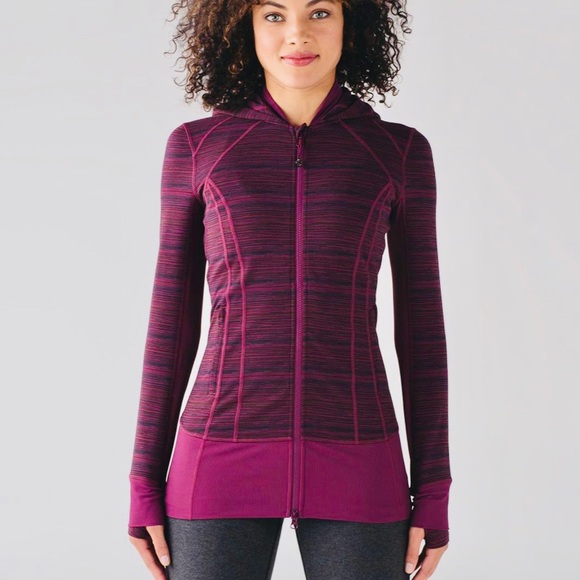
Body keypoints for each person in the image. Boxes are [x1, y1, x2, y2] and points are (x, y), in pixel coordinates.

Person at [128, 0, 452, 578]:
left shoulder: (397, 152)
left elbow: (421, 333)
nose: (297, 34)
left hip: (360, 455)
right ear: (244, 27)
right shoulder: (199, 147)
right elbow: (171, 325)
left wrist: (433, 489)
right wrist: (143, 482)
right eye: (274, 15)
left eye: (320, 12)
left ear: (352, 23)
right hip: (218, 451)